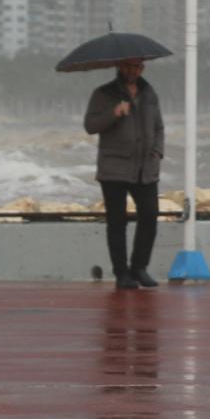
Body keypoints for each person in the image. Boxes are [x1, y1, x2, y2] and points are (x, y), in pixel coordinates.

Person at [83, 55, 166, 290]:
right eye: (128, 65)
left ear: (142, 68)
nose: (132, 70)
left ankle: (139, 267)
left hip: (145, 169)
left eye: (137, 66)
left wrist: (157, 151)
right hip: (114, 169)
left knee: (150, 215)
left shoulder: (149, 94)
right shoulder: (103, 93)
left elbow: (159, 127)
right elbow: (90, 126)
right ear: (119, 66)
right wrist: (115, 112)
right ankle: (121, 273)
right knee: (117, 223)